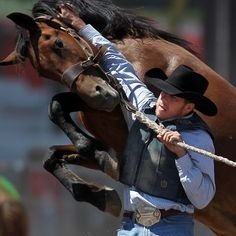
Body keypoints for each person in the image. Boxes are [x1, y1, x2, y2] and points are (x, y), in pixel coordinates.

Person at [59, 5, 217, 236]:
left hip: (169, 229)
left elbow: (202, 198)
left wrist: (181, 156)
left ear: (189, 107)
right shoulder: (145, 107)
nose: (163, 99)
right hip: (130, 225)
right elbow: (117, 63)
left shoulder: (197, 138)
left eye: (173, 97)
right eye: (163, 92)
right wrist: (81, 26)